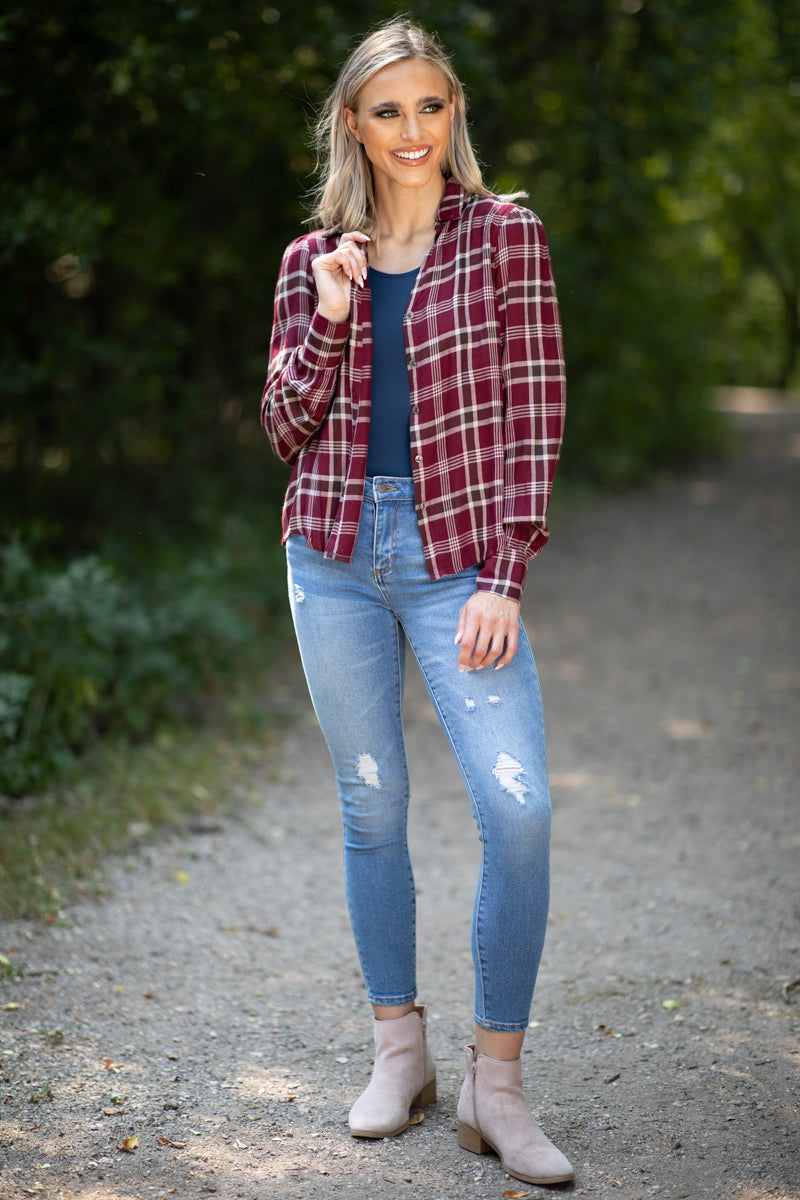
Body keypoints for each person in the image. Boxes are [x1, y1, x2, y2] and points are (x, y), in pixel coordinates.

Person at [261, 18, 571, 1188]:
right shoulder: (309, 260)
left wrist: (504, 573)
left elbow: (532, 417)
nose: (410, 131)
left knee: (521, 811)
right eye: (385, 110)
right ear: (353, 122)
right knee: (370, 804)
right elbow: (283, 431)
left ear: (453, 118)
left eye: (428, 108)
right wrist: (334, 316)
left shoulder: (503, 237)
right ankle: (401, 1052)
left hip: (455, 560)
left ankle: (498, 1089)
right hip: (331, 554)